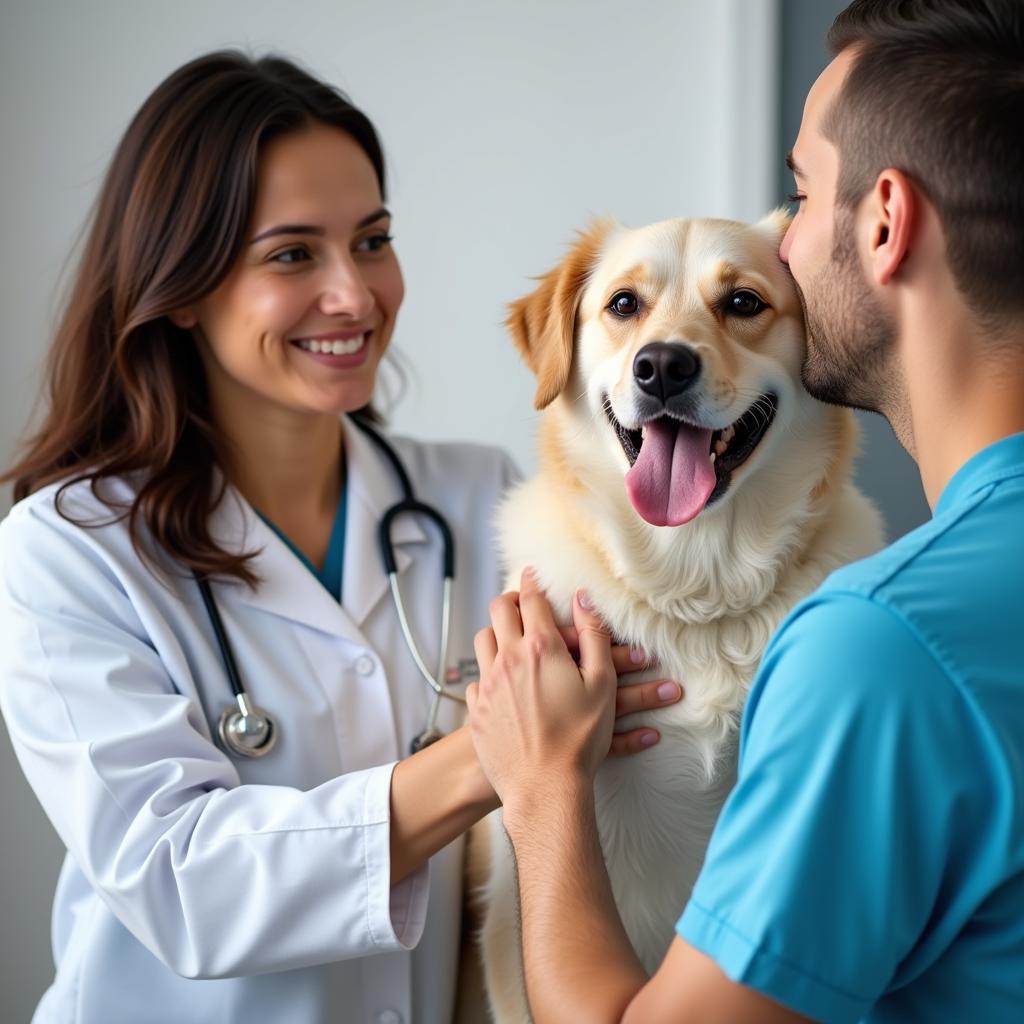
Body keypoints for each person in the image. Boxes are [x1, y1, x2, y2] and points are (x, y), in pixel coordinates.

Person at [0, 52, 682, 1024]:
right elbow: (181, 885)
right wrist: (501, 755)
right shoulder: (67, 551)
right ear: (181, 285)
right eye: (292, 255)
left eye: (372, 241)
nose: (356, 296)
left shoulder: (474, 497)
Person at [466, 1, 1024, 1021]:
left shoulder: (880, 646)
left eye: (800, 194)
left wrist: (539, 791)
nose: (791, 241)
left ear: (886, 221)